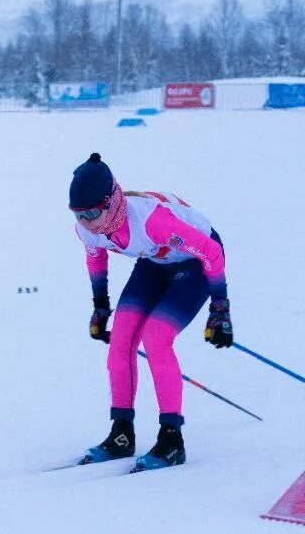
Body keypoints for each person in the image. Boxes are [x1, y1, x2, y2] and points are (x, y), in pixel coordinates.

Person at [69, 153, 232, 471]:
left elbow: (211, 253)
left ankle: (172, 440)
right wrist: (101, 308)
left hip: (196, 263)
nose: (87, 221)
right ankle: (121, 435)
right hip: (155, 263)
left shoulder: (152, 221)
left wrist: (220, 311)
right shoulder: (88, 228)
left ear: (111, 200)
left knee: (156, 338)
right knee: (122, 340)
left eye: (92, 212)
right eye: (78, 214)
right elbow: (96, 260)